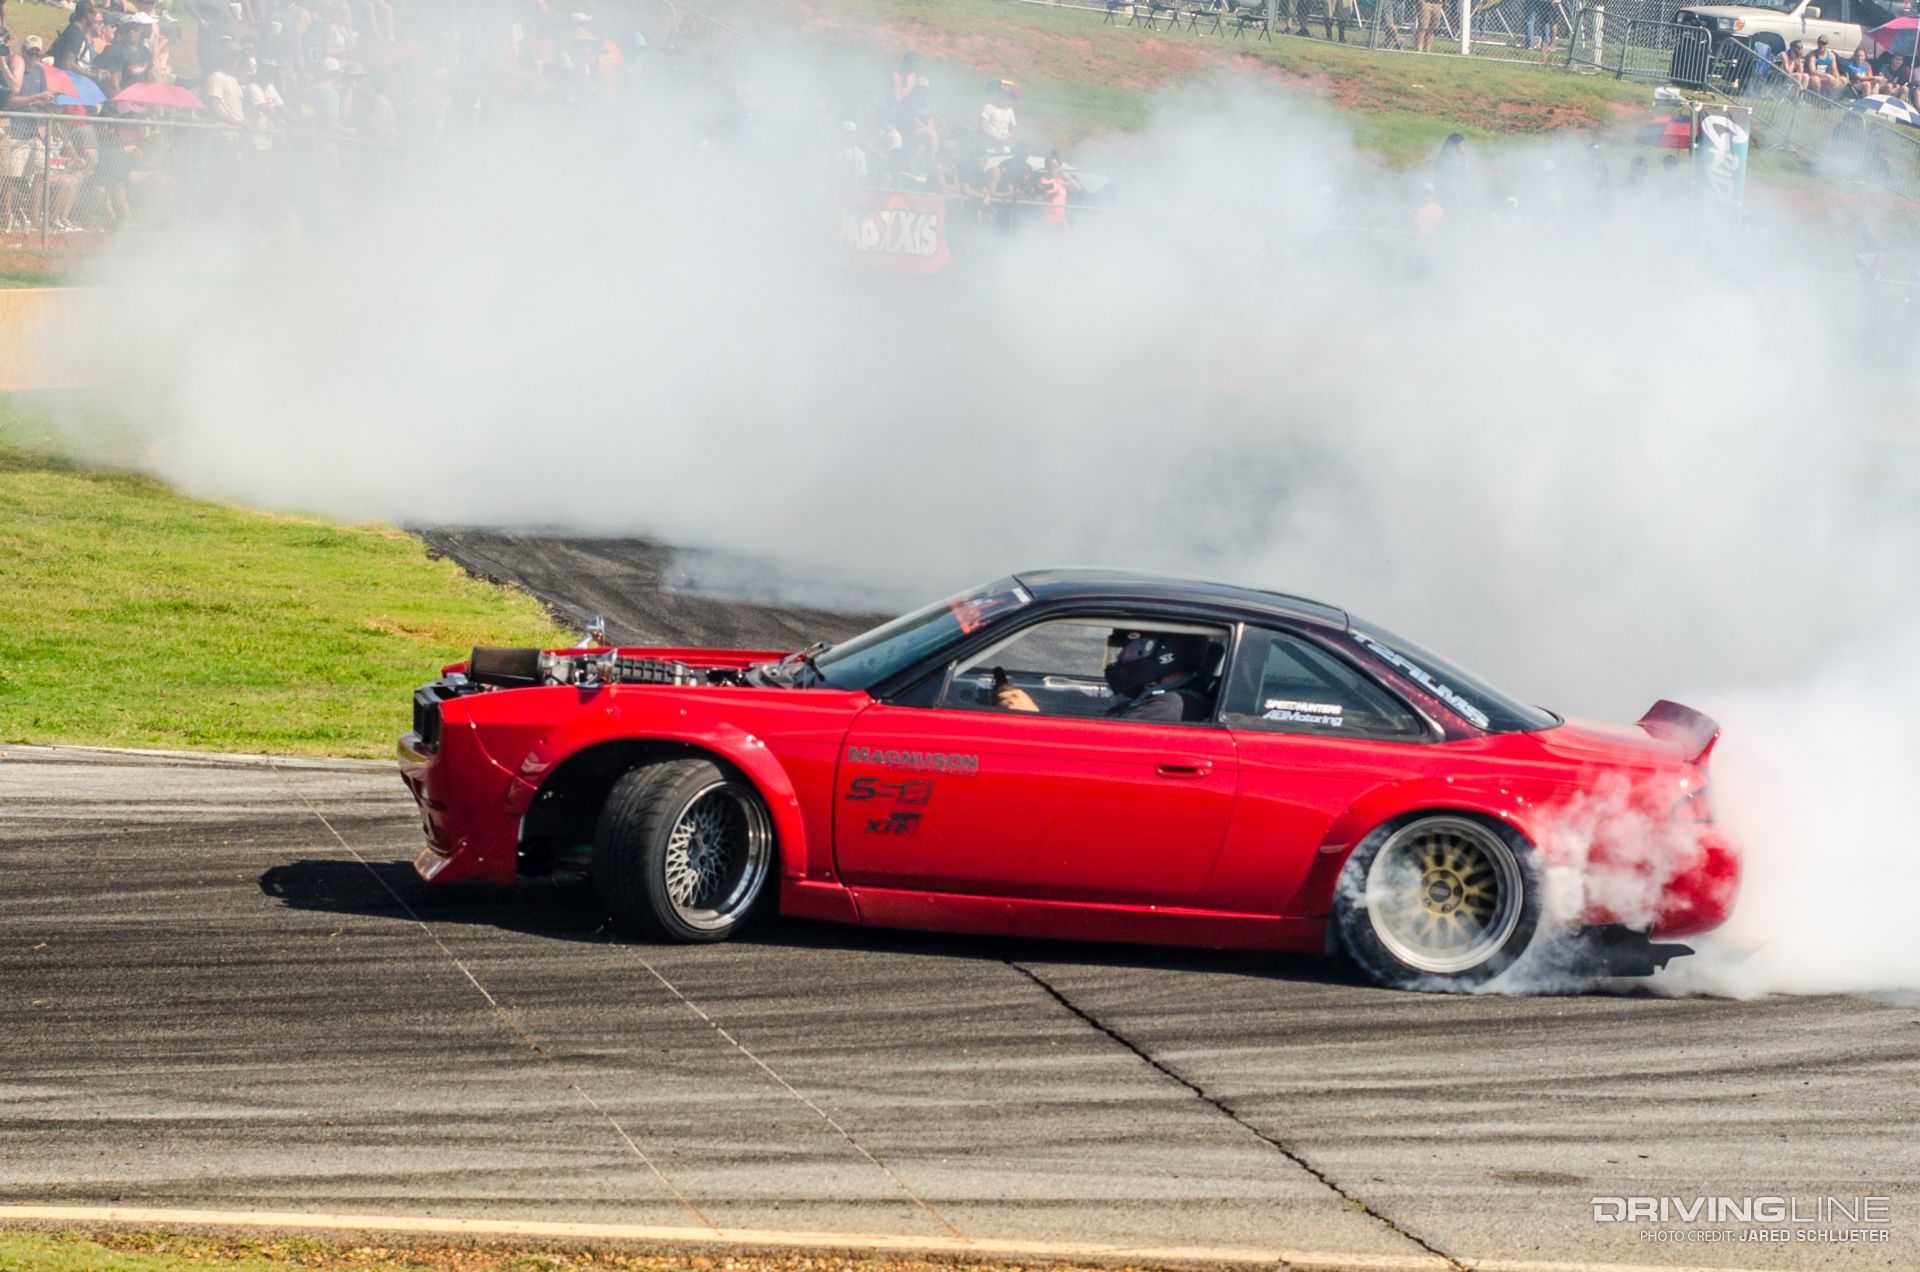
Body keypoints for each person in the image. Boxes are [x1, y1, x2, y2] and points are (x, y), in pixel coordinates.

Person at [994, 630, 1215, 722]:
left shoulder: (1168, 707)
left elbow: (1095, 755)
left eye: (1130, 646)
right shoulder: (1165, 697)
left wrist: (1032, 718)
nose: (1120, 655)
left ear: (1164, 654)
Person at [979, 79, 1016, 152]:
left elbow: (1014, 126)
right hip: (989, 147)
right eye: (1002, 94)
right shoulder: (988, 107)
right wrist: (997, 138)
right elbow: (982, 127)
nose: (1004, 97)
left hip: (1004, 148)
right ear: (997, 95)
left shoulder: (1010, 111)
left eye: (1007, 96)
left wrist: (1009, 136)